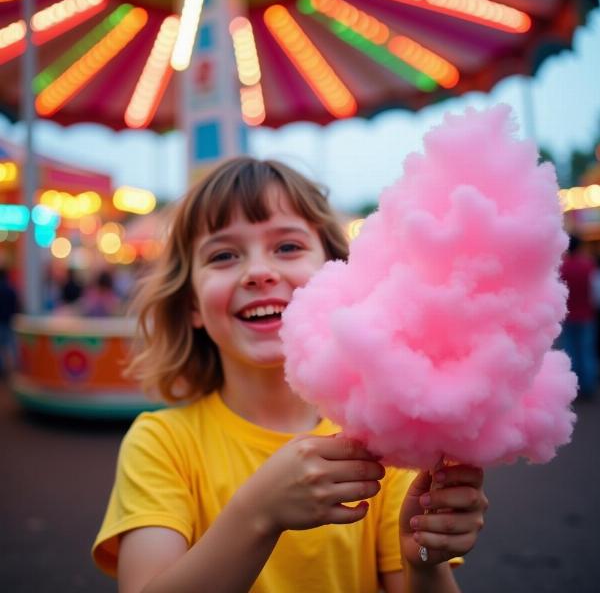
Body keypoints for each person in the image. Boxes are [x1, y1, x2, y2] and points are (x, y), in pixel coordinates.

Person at [92, 157, 488, 593]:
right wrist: (257, 514)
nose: (259, 272)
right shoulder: (160, 444)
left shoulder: (386, 442)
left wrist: (426, 563)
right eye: (223, 255)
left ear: (337, 276)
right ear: (191, 306)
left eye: (287, 247)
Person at [559, 234, 597, 400]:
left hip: (568, 316)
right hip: (586, 315)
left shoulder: (563, 267)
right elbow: (596, 291)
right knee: (586, 351)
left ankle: (574, 386)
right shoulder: (588, 266)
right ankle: (588, 386)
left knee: (571, 352)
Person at [0, 267, 19, 376]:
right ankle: (15, 367)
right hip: (9, 321)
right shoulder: (11, 289)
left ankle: (2, 369)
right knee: (11, 346)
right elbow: (16, 305)